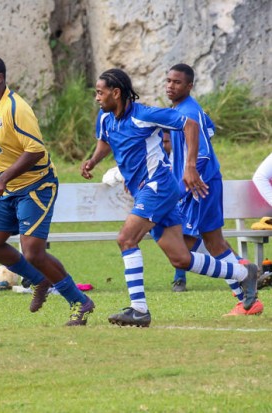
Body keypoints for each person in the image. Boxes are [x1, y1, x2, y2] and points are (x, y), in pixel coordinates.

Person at [80, 68, 259, 327]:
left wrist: (190, 166)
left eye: (100, 92)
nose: (97, 97)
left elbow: (190, 125)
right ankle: (244, 272)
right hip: (147, 190)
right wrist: (93, 161)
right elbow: (105, 141)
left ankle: (139, 310)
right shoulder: (105, 117)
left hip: (159, 187)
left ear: (116, 93)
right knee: (181, 258)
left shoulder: (144, 115)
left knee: (126, 239)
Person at [0, 55, 94, 326]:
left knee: (33, 252)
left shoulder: (17, 108)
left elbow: (36, 151)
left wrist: (3, 178)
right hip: (4, 190)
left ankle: (80, 302)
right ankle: (40, 280)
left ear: (0, 79)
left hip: (36, 185)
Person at [164, 63, 263, 315]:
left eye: (177, 82)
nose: (170, 86)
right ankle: (248, 296)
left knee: (183, 246)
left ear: (189, 86)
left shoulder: (189, 111)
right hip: (203, 183)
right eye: (168, 81)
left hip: (199, 185)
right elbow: (210, 129)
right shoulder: (184, 110)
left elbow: (204, 153)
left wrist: (185, 180)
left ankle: (243, 272)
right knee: (212, 243)